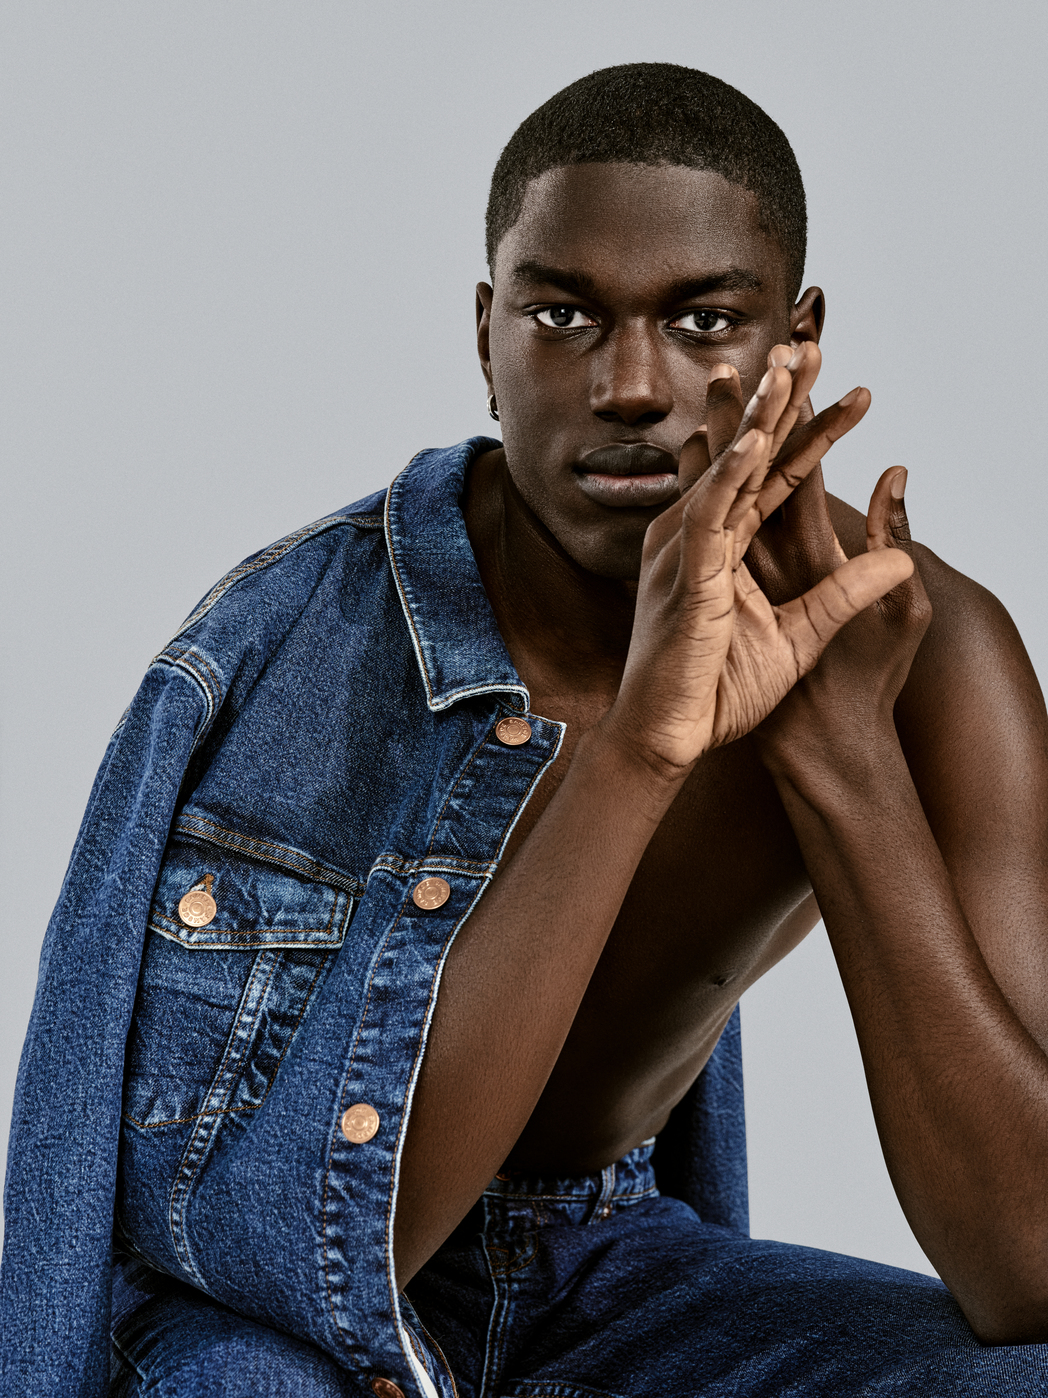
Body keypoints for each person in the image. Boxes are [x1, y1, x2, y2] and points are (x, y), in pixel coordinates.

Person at [4, 60, 1048, 1397]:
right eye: (564, 316)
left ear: (796, 343)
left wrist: (840, 759)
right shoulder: (295, 653)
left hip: (597, 1274)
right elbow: (320, 1258)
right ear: (486, 336)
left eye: (705, 322)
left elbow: (1029, 1270)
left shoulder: (923, 656)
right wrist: (642, 750)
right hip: (263, 1310)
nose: (632, 386)